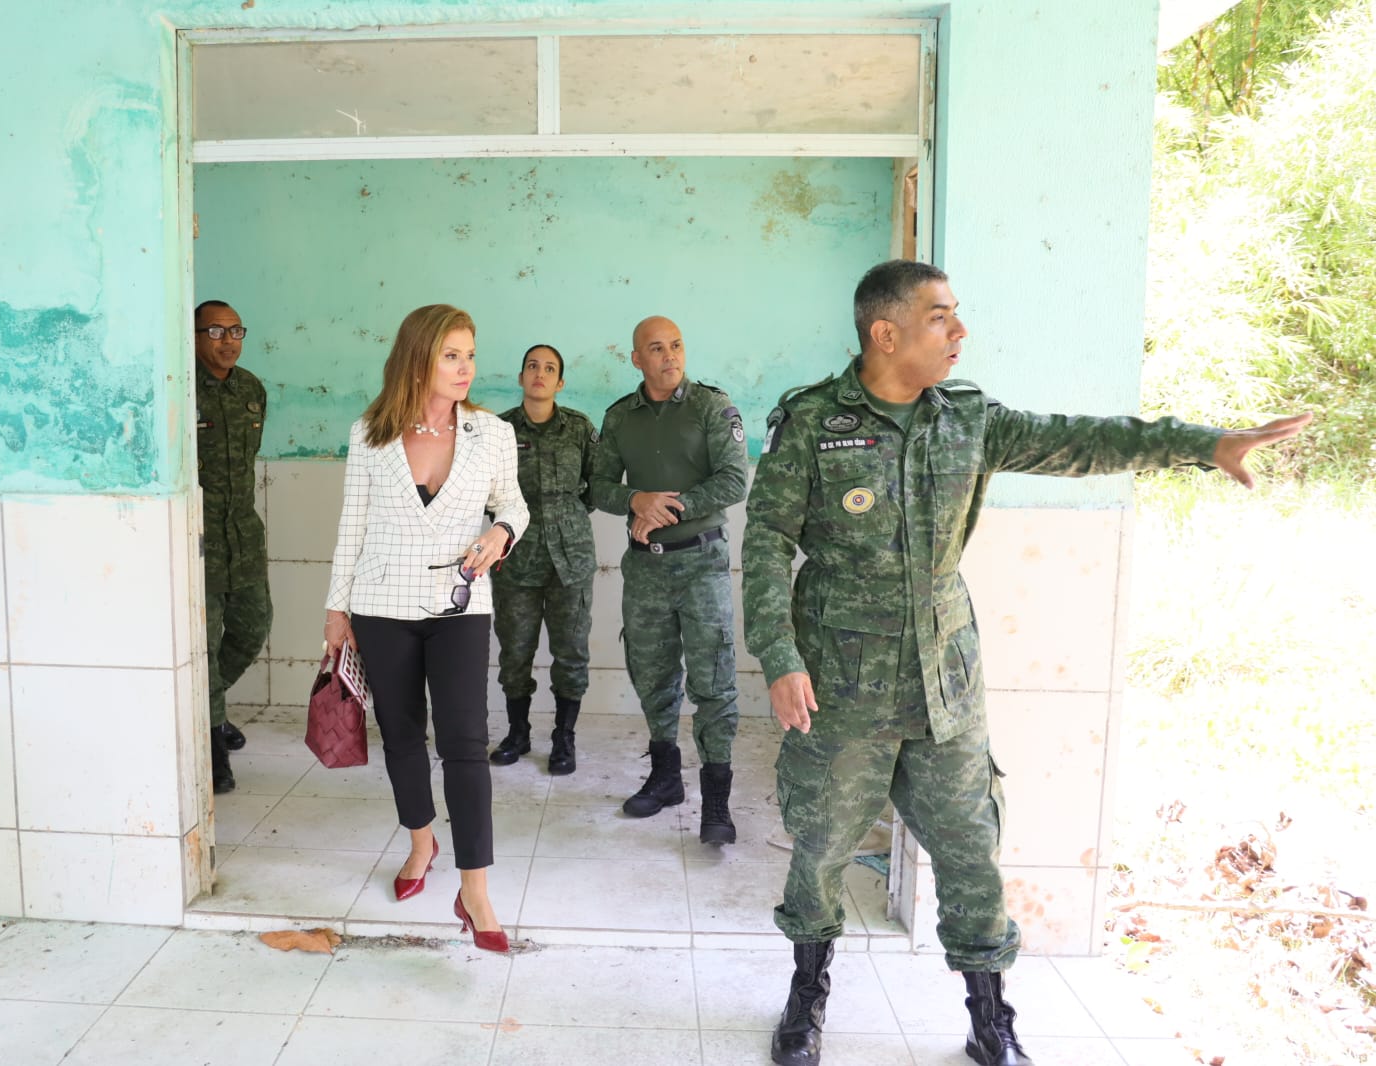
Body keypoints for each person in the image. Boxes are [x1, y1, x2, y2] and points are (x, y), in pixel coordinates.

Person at [741, 259, 1311, 1066]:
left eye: (955, 314)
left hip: (945, 684)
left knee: (971, 851)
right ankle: (806, 999)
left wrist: (1204, 444)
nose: (960, 331)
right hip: (839, 685)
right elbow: (767, 541)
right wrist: (780, 656)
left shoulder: (968, 418)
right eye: (940, 316)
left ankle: (990, 1020)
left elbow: (1082, 439)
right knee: (822, 846)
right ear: (886, 333)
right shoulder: (812, 422)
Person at [323, 304, 530, 953]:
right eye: (451, 355)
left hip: (459, 603)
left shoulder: (492, 433)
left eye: (470, 355)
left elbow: (513, 502)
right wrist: (336, 609)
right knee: (403, 736)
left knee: (465, 742)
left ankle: (476, 890)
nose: (466, 368)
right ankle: (420, 843)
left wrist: (502, 532)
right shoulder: (370, 434)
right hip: (380, 604)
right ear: (418, 359)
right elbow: (352, 525)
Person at [590, 316, 751, 844]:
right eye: (656, 349)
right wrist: (635, 500)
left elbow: (733, 480)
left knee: (713, 682)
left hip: (703, 563)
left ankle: (717, 803)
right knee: (653, 676)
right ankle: (665, 779)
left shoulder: (711, 407)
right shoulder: (619, 418)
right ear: (637, 359)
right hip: (646, 569)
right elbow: (597, 486)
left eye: (676, 345)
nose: (670, 356)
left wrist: (668, 509)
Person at [489, 344, 599, 775]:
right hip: (515, 558)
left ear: (560, 382)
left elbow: (596, 484)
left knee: (571, 653)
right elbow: (486, 491)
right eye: (532, 366)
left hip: (571, 559)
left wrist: (565, 518)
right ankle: (518, 733)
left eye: (549, 368)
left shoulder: (579, 428)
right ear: (521, 377)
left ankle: (563, 737)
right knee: (515, 652)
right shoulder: (498, 431)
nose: (540, 373)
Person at [195, 299, 272, 795]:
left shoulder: (251, 390)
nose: (228, 341)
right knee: (202, 645)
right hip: (198, 539)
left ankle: (208, 708)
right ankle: (212, 746)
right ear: (194, 337)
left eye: (236, 331)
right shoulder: (181, 389)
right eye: (216, 332)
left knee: (253, 626)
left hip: (242, 534)